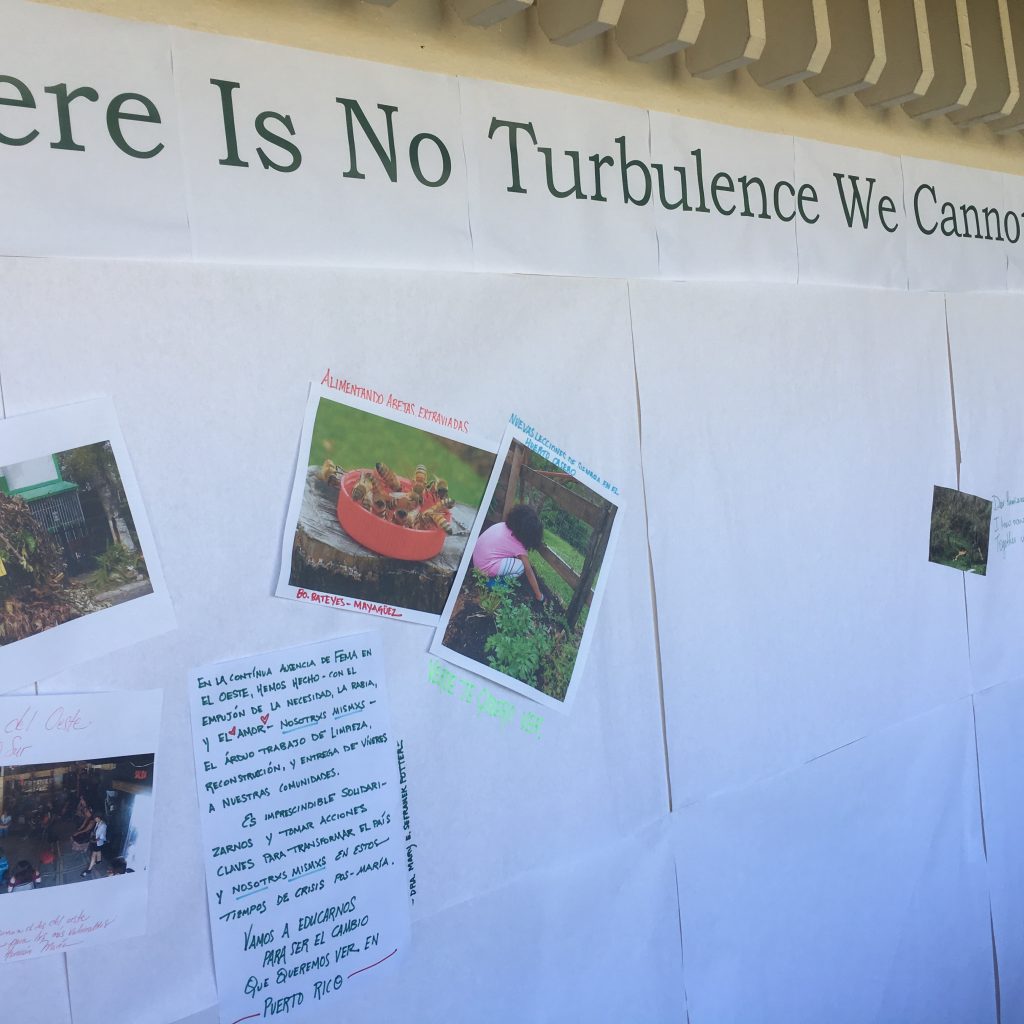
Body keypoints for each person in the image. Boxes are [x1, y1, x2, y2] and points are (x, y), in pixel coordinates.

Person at [472, 504, 544, 602]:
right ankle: (494, 585)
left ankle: (490, 578)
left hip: (476, 558)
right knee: (520, 567)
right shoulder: (519, 546)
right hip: (483, 568)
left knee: (513, 561)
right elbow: (529, 571)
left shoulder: (502, 525)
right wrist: (539, 595)